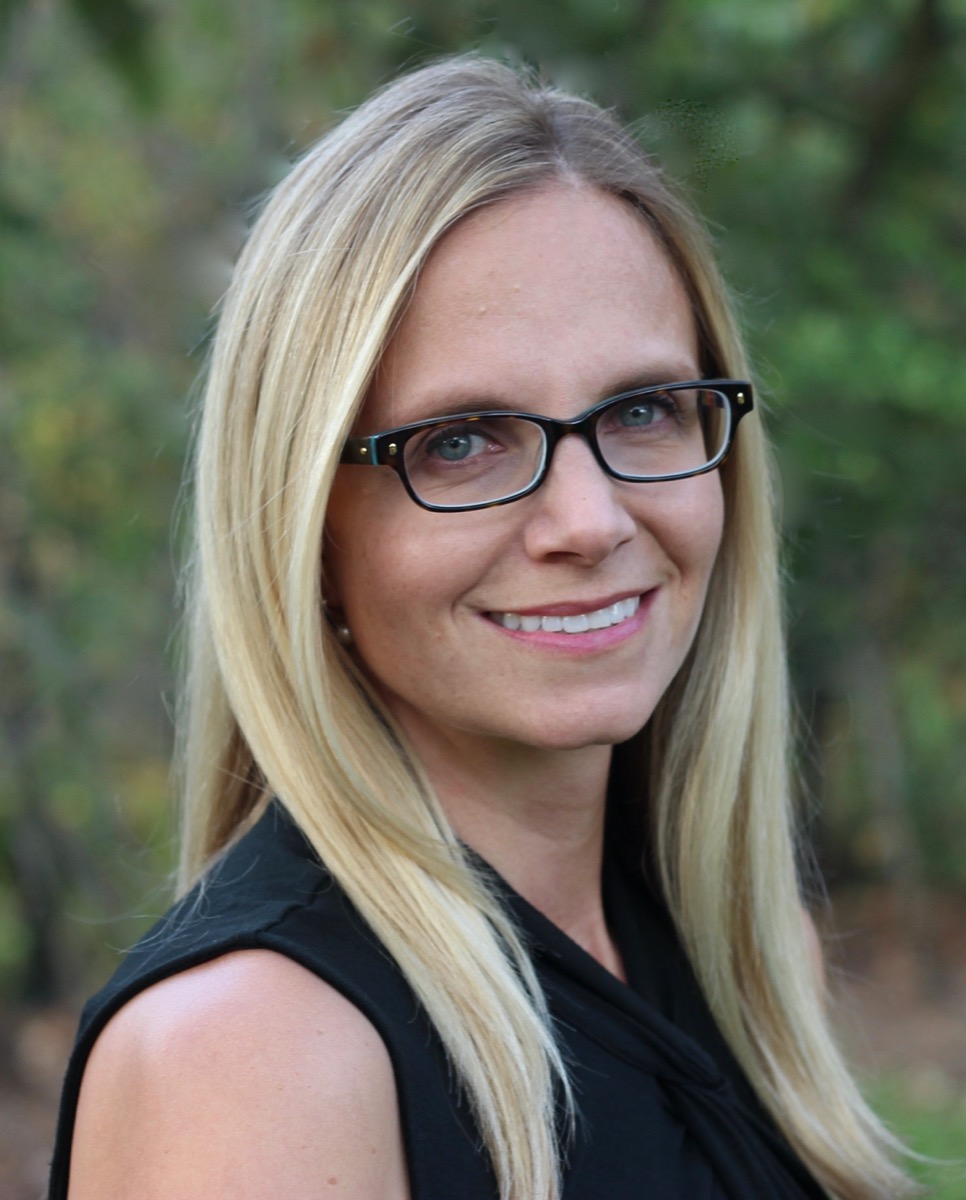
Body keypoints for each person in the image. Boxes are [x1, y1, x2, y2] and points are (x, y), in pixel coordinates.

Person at [48, 55, 913, 1200]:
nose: (589, 520)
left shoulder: (752, 970)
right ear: (307, 534)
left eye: (643, 409)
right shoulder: (256, 1055)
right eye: (462, 440)